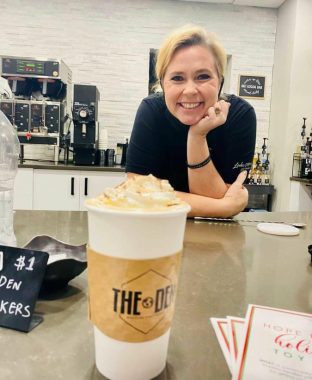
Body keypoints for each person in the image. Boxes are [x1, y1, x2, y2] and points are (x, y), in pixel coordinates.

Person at [126, 25, 256, 217]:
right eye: (177, 78)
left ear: (220, 81)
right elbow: (138, 192)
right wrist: (225, 207)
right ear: (163, 84)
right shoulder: (151, 111)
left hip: (217, 236)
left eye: (202, 76)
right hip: (157, 231)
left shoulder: (240, 115)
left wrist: (197, 135)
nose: (189, 91)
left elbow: (220, 197)